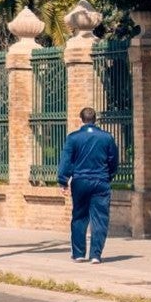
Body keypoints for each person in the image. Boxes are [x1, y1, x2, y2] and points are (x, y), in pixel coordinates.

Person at [58, 107, 119, 264]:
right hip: (101, 181)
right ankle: (95, 255)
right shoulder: (107, 138)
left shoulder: (73, 138)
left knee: (79, 217)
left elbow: (66, 161)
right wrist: (109, 175)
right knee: (100, 218)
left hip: (80, 181)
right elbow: (113, 160)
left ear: (81, 119)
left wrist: (63, 180)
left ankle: (78, 253)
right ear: (95, 119)